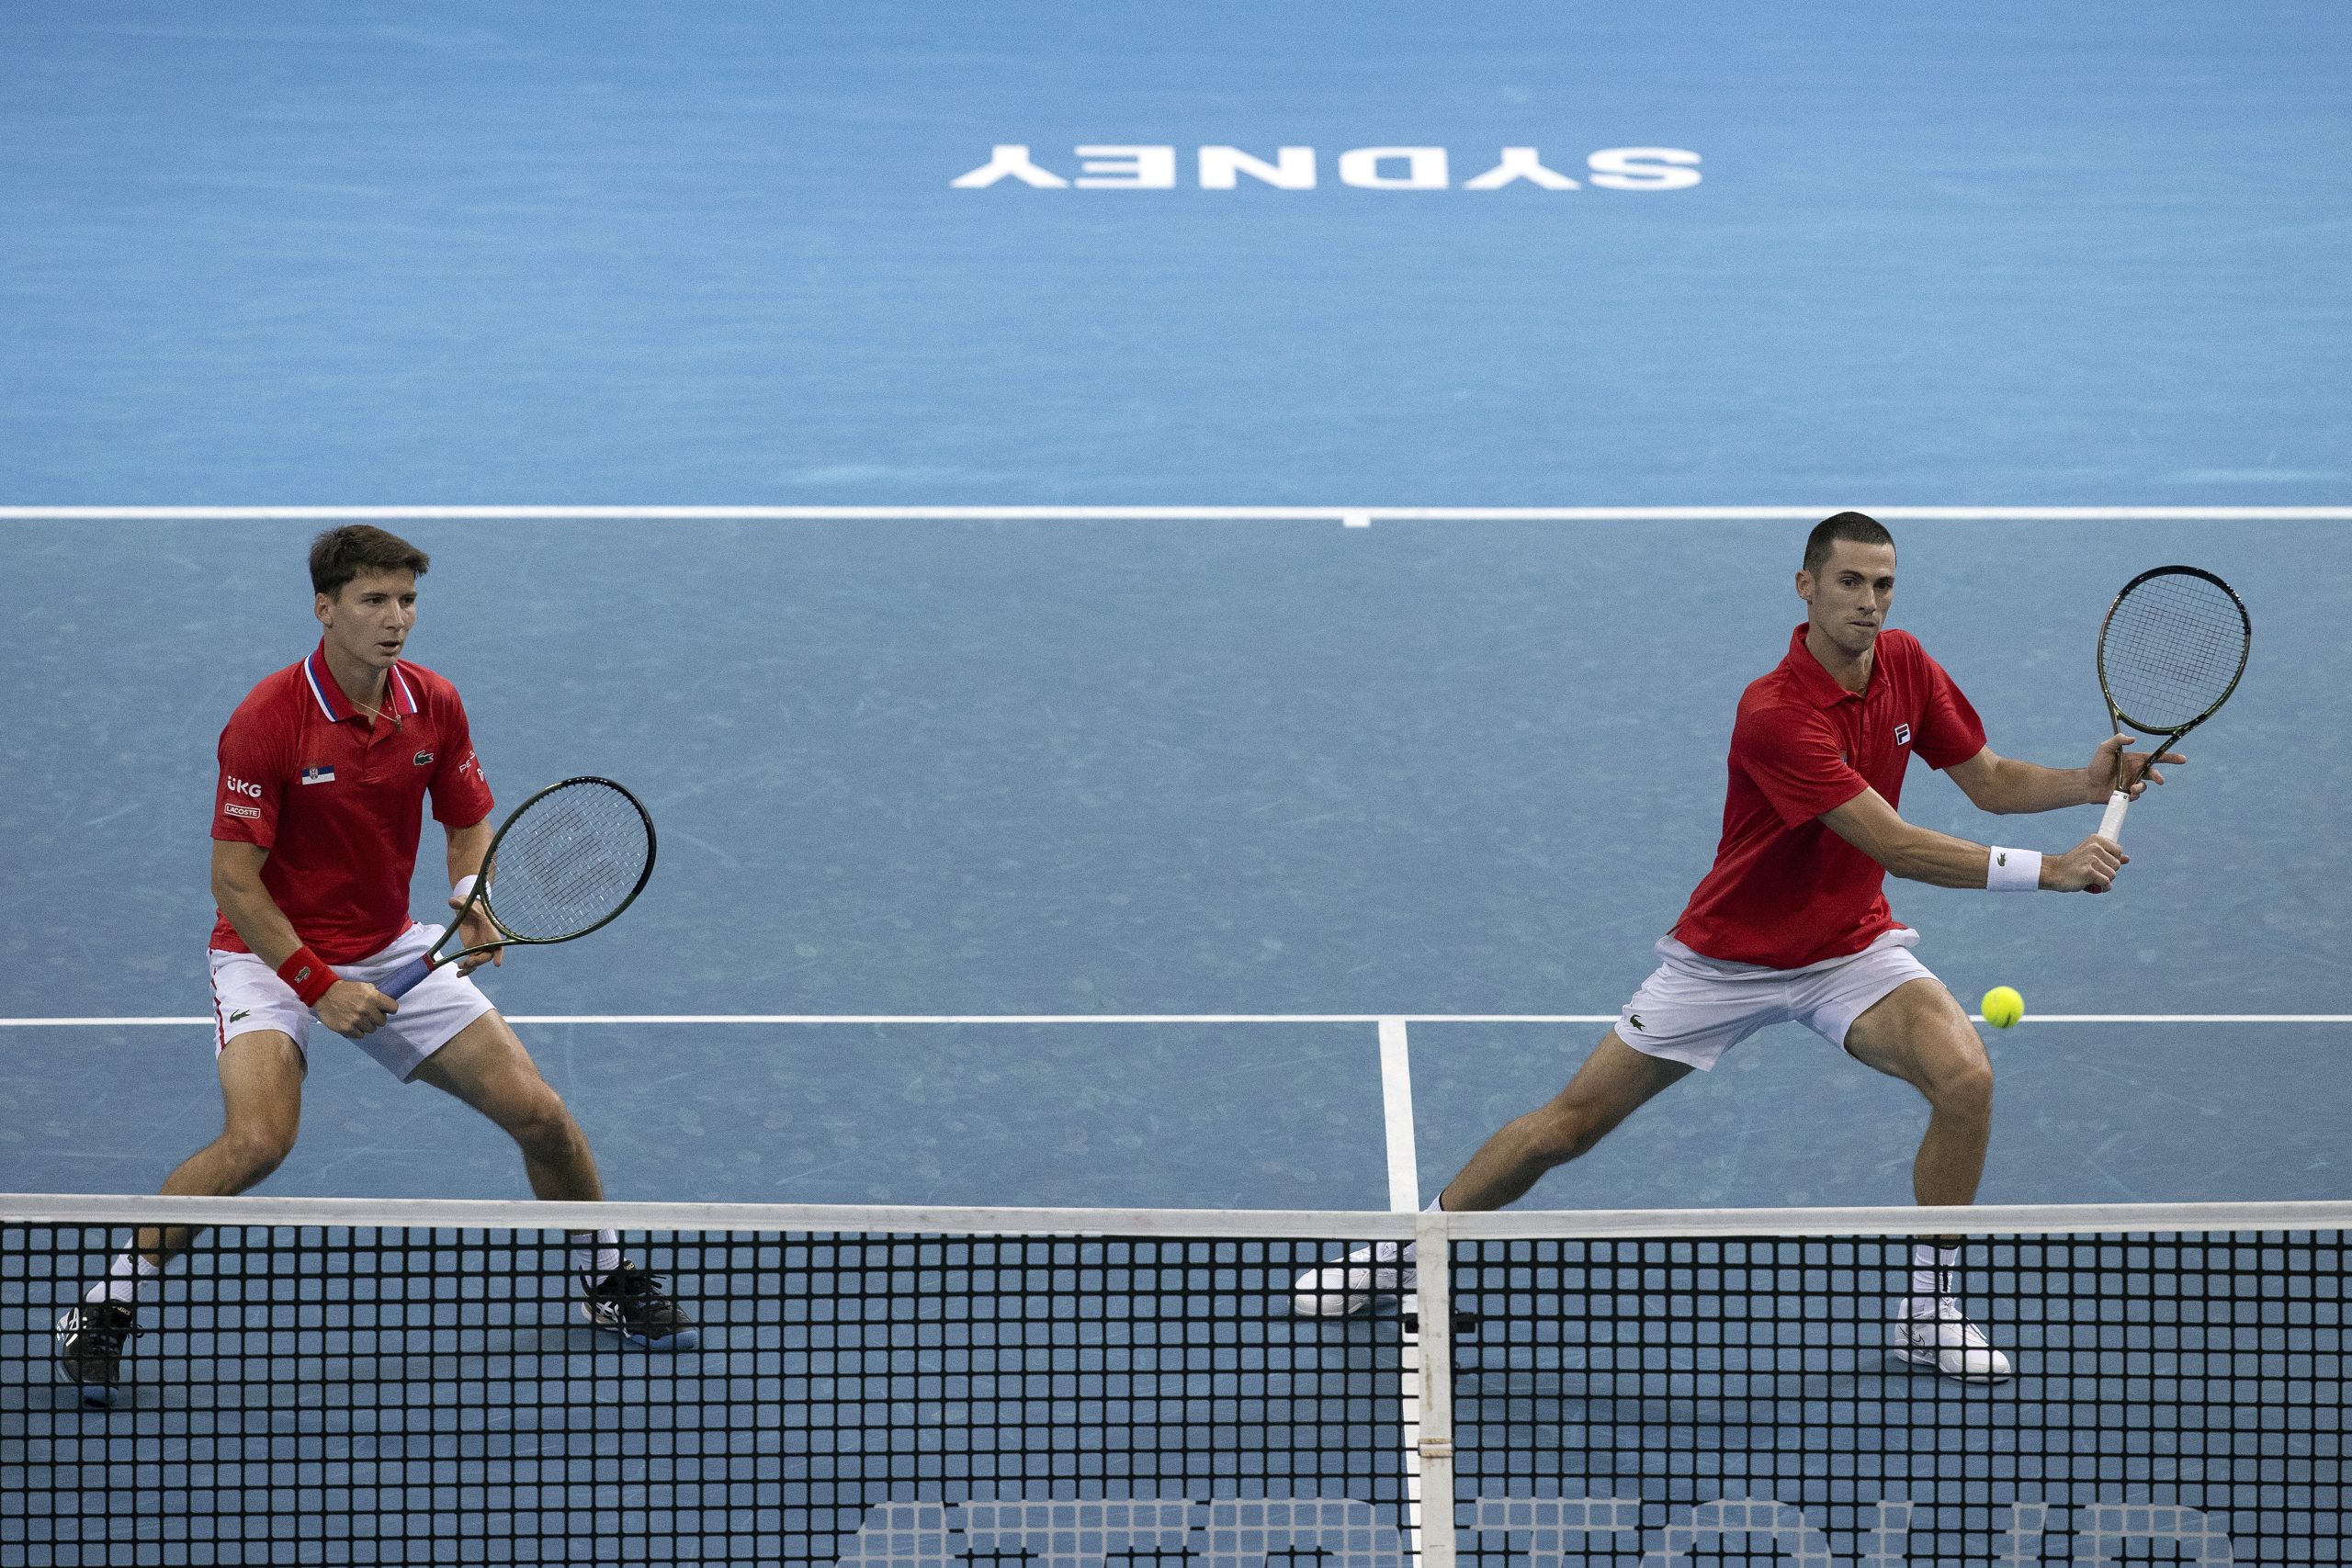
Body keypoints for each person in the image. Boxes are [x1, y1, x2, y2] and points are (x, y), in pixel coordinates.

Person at [1294, 512, 2181, 1382]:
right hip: (1730, 960)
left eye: (1883, 584)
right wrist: (2052, 871)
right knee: (1567, 1128)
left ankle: (1928, 1310)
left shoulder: (1906, 663)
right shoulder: (1775, 712)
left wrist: (2083, 781)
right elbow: (1898, 845)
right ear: (1805, 586)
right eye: (1849, 582)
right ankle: (1401, 1248)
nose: (1869, 602)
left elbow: (1986, 782)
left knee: (1967, 1078)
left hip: (1848, 949)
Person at [57, 525, 693, 1404]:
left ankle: (606, 1276)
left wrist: (472, 893)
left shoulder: (433, 703)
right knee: (258, 1141)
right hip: (270, 952)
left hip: (394, 942)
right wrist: (319, 987)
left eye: (407, 601)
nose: (396, 619)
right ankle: (106, 1305)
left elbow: (467, 815)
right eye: (374, 601)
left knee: (541, 1114)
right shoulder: (265, 721)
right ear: (325, 608)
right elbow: (233, 883)